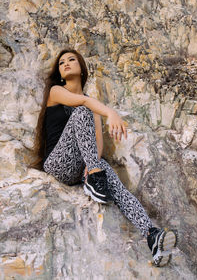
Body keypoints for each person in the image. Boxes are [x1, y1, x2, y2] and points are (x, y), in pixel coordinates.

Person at [33, 49, 178, 267]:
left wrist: (93, 163)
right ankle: (94, 176)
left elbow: (97, 142)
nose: (66, 63)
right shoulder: (56, 91)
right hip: (57, 163)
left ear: (82, 68)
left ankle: (152, 235)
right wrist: (111, 113)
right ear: (60, 73)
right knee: (83, 111)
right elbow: (81, 101)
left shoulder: (92, 105)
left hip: (80, 168)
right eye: (62, 62)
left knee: (114, 181)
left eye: (72, 59)